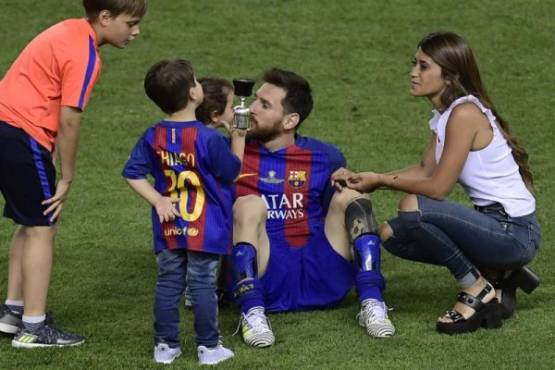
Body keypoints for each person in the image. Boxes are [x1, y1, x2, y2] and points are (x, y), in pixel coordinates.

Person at [332, 31, 541, 335]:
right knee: (392, 235)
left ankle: (477, 287)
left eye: (423, 66)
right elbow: (424, 170)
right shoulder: (446, 114)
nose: (413, 73)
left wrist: (380, 181)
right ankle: (497, 273)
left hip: (514, 232)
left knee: (412, 208)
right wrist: (372, 177)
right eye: (414, 64)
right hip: (495, 226)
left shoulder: (464, 114)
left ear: (449, 76)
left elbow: (439, 187)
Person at [0, 0, 147, 348]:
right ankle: (34, 328)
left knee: (29, 221)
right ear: (106, 18)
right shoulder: (85, 55)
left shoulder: (66, 29)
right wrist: (67, 176)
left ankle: (13, 313)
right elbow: (69, 119)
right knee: (42, 226)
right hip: (21, 133)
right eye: (131, 23)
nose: (136, 31)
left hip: (6, 127)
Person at [230, 68, 395, 348]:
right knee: (249, 204)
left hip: (322, 272)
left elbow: (341, 207)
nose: (252, 109)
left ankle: (372, 301)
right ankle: (251, 310)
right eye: (255, 100)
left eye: (264, 104)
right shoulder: (231, 152)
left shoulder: (325, 156)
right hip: (266, 269)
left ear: (290, 120)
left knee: (352, 196)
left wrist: (347, 178)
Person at [122, 59, 246, 365]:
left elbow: (132, 173)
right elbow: (231, 172)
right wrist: (239, 139)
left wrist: (159, 201)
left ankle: (164, 347)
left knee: (168, 282)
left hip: (169, 223)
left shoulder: (153, 136)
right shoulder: (209, 138)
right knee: (202, 282)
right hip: (206, 224)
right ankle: (208, 347)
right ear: (193, 94)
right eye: (196, 81)